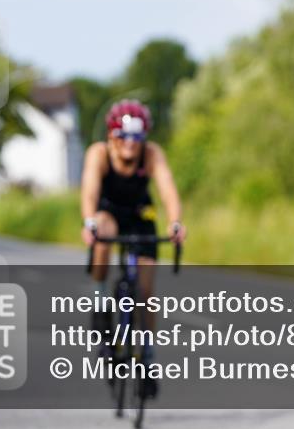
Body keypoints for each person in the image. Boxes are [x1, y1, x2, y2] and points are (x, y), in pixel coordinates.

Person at [80, 99, 186, 384]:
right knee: (103, 228)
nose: (130, 142)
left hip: (140, 215)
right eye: (123, 135)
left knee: (146, 288)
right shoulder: (99, 153)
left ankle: (148, 357)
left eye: (137, 136)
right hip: (109, 211)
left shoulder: (151, 154)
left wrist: (175, 223)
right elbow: (89, 189)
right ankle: (101, 307)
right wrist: (88, 221)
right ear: (111, 135)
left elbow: (167, 189)